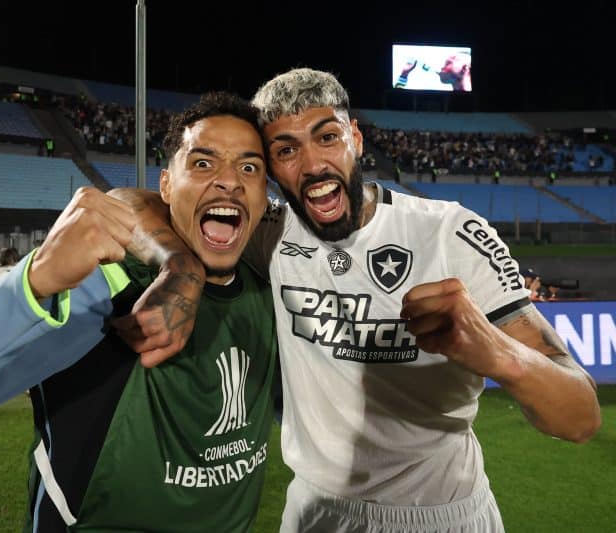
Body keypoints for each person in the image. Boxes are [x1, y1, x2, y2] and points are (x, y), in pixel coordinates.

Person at [110, 68, 600, 533]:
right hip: (317, 513)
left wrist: (496, 352)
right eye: (285, 150)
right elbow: (132, 203)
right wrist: (183, 264)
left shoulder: (450, 233)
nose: (313, 164)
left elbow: (580, 417)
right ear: (273, 171)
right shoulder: (270, 235)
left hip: (448, 515)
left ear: (356, 139)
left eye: (328, 137)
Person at [0, 92, 277, 532]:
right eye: (203, 163)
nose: (230, 181)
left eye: (249, 168)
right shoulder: (108, 288)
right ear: (166, 185)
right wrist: (34, 283)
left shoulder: (268, 291)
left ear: (264, 195)